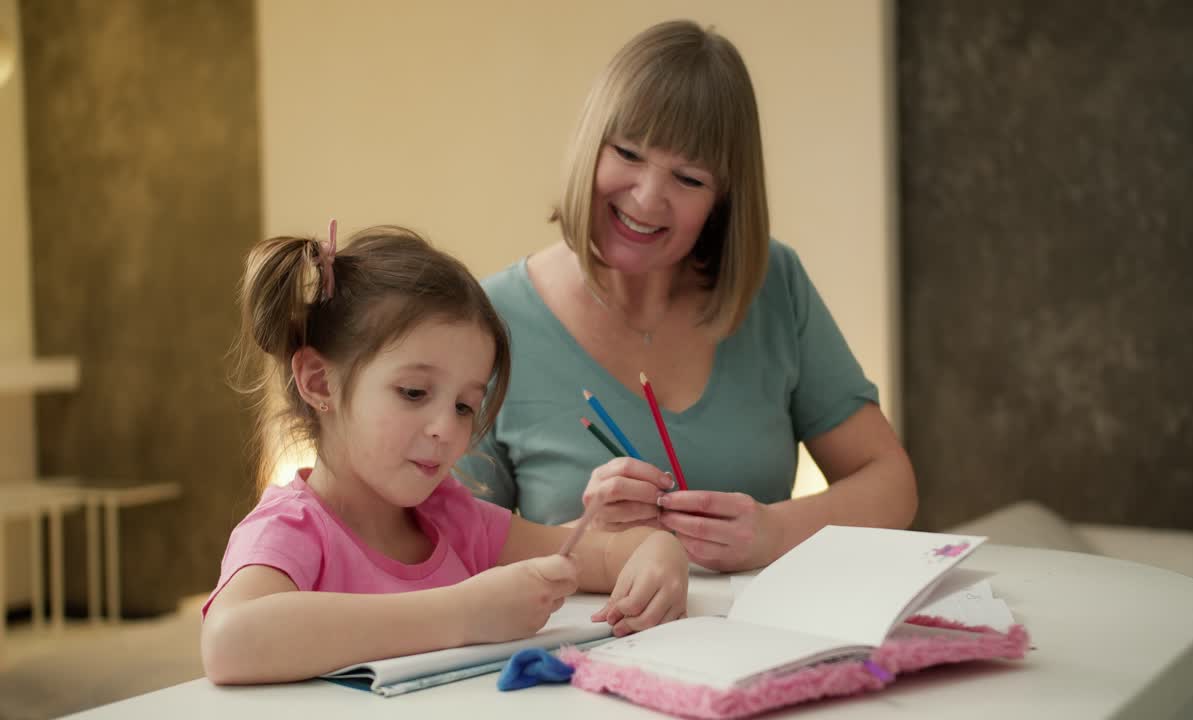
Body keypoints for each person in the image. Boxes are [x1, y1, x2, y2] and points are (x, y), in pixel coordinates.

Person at [455, 20, 917, 573]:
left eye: (689, 179)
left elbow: (891, 485)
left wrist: (776, 531)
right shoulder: (492, 319)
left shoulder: (774, 283)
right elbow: (454, 545)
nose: (648, 200)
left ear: (723, 200)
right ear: (589, 145)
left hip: (763, 645)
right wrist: (587, 541)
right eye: (627, 152)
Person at [201, 224, 688, 686]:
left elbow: (600, 553)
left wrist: (658, 552)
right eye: (414, 392)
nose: (445, 429)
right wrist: (464, 613)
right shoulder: (290, 531)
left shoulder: (451, 517)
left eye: (464, 406)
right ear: (318, 381)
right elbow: (229, 641)